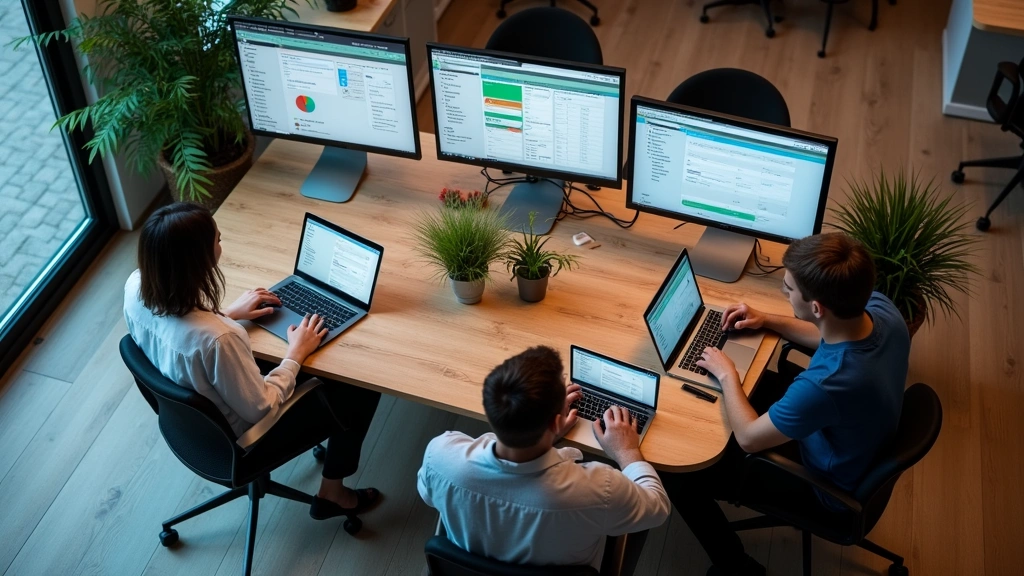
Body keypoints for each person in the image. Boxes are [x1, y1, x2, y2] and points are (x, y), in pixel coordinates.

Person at [660, 232, 910, 576]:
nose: (783, 292)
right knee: (749, 386)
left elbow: (748, 437)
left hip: (823, 486)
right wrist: (766, 319)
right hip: (851, 435)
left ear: (817, 308)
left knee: (678, 471)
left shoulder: (826, 384)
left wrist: (727, 374)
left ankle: (737, 567)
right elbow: (828, 333)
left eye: (789, 289)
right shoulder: (883, 310)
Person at [123, 202, 382, 520]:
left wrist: (226, 314)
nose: (221, 243)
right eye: (218, 239)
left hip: (192, 428)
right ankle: (333, 494)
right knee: (358, 385)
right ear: (199, 259)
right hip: (247, 437)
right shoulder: (219, 340)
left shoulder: (135, 287)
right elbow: (261, 408)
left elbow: (176, 333)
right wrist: (296, 352)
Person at [417, 346, 671, 573]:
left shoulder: (441, 456)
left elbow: (429, 496)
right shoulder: (598, 489)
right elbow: (657, 507)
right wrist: (626, 451)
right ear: (556, 421)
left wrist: (545, 434)